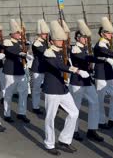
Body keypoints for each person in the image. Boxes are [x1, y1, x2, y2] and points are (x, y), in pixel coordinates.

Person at [43, 20, 86, 155]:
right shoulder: (48, 53)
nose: (61, 41)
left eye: (62, 39)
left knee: (74, 112)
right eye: (58, 39)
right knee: (50, 118)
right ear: (51, 41)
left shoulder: (63, 51)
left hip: (62, 88)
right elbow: (59, 66)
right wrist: (76, 71)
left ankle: (64, 140)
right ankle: (49, 144)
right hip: (52, 89)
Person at [69, 19, 104, 142]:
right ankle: (74, 130)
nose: (85, 39)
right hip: (77, 81)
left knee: (94, 103)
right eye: (83, 37)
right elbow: (84, 58)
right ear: (78, 38)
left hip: (87, 81)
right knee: (76, 107)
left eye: (86, 37)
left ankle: (92, 130)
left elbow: (87, 59)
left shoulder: (84, 48)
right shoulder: (75, 48)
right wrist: (100, 59)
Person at [93, 17, 113, 130]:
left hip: (109, 73)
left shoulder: (105, 43)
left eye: (111, 33)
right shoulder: (101, 44)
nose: (111, 34)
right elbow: (108, 53)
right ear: (103, 33)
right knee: (100, 99)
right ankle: (101, 121)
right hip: (101, 73)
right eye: (109, 33)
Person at [2, 19, 32, 123]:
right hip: (10, 71)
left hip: (20, 70)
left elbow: (25, 50)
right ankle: (7, 113)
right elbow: (11, 51)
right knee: (8, 93)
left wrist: (25, 46)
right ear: (12, 34)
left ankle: (21, 113)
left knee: (23, 92)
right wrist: (22, 53)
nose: (19, 34)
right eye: (17, 33)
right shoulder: (7, 42)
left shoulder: (21, 42)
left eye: (19, 33)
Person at [30, 19, 50, 115]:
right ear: (40, 33)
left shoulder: (45, 42)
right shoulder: (37, 42)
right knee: (37, 88)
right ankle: (35, 106)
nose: (46, 35)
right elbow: (44, 52)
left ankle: (49, 106)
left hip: (45, 68)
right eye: (44, 33)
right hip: (37, 68)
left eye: (46, 33)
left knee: (47, 88)